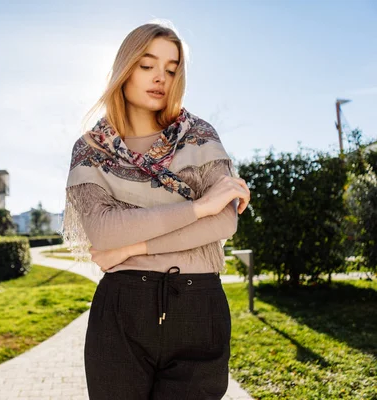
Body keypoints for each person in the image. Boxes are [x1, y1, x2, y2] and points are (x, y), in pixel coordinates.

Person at [61, 21, 251, 399]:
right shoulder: (91, 149)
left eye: (171, 68)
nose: (159, 78)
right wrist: (199, 208)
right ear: (125, 67)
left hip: (199, 308)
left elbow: (225, 221)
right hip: (122, 311)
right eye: (147, 65)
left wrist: (132, 248)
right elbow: (103, 231)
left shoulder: (200, 136)